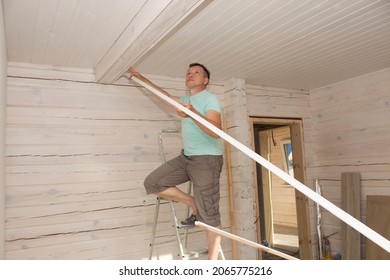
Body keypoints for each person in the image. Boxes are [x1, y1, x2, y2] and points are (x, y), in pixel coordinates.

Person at [127, 63, 223, 260]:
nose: (190, 74)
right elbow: (162, 95)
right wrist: (141, 78)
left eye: (196, 72)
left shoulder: (210, 99)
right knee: (153, 182)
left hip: (207, 160)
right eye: (188, 72)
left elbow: (215, 131)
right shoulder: (185, 99)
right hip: (186, 157)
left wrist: (192, 113)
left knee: (210, 216)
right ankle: (193, 203)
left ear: (205, 80)